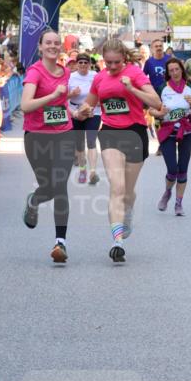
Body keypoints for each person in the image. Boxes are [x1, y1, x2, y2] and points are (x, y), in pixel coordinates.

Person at [74, 38, 161, 262]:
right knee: (117, 187)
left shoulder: (134, 73)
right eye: (108, 62)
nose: (111, 67)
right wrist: (81, 111)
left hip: (135, 132)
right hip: (110, 133)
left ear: (123, 58)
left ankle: (127, 213)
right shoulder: (100, 77)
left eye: (116, 62)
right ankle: (117, 241)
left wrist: (131, 88)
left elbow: (156, 101)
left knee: (128, 192)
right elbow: (90, 104)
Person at [20, 29, 76, 263]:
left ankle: (60, 243)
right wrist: (53, 94)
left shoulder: (65, 71)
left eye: (56, 43)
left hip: (63, 134)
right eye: (48, 43)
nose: (53, 46)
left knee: (60, 186)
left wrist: (74, 110)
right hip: (37, 136)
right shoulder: (35, 72)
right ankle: (34, 200)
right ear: (40, 47)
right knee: (48, 188)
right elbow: (25, 105)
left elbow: (61, 105)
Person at [151, 57, 191, 216]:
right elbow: (150, 110)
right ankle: (167, 192)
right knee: (172, 169)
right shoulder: (162, 88)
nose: (174, 72)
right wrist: (159, 113)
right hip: (167, 131)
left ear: (181, 70)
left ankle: (179, 203)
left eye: (176, 69)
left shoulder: (190, 88)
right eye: (171, 70)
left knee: (183, 170)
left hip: (186, 131)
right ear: (168, 73)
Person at [68, 53, 101, 185]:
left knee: (91, 141)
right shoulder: (70, 77)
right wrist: (72, 94)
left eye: (85, 62)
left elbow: (103, 91)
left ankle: (93, 172)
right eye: (80, 62)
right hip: (76, 112)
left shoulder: (95, 76)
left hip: (93, 112)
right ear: (76, 64)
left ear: (90, 64)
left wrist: (98, 101)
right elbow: (63, 97)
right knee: (79, 144)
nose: (83, 65)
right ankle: (82, 170)